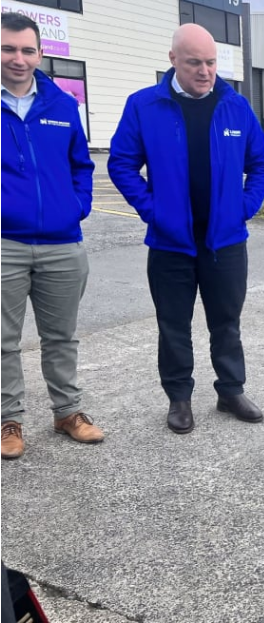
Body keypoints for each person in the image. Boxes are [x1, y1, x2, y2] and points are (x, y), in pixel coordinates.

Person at [108, 24, 264, 435]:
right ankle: (179, 398)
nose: (205, 71)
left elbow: (262, 165)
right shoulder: (144, 106)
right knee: (173, 324)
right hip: (171, 244)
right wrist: (152, 210)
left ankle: (230, 390)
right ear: (173, 60)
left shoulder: (235, 106)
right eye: (194, 62)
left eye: (211, 62)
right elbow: (122, 164)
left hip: (226, 242)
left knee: (226, 322)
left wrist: (243, 208)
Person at [1, 13, 103, 460]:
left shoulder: (61, 104)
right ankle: (9, 420)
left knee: (62, 337)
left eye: (27, 50)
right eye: (8, 48)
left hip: (62, 242)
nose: (18, 58)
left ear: (40, 53)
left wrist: (75, 207)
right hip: (5, 243)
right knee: (3, 340)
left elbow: (81, 164)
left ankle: (67, 412)